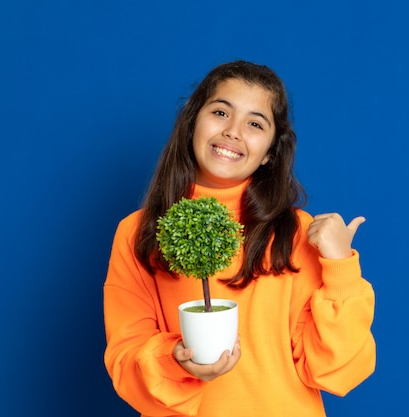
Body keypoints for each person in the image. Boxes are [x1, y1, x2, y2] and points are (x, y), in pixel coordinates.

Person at [103, 60, 376, 417]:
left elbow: (336, 372)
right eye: (220, 112)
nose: (233, 131)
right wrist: (176, 362)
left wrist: (341, 270)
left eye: (254, 124)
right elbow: (125, 360)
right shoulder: (138, 233)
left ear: (270, 154)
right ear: (191, 124)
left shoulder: (295, 234)